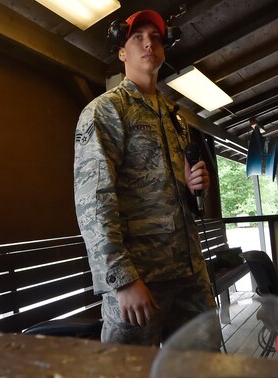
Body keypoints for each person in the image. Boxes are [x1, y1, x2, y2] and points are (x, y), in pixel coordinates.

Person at [73, 10, 219, 347]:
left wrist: (195, 187)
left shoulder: (175, 117)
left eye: (155, 37)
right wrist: (122, 281)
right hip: (140, 279)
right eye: (137, 37)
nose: (148, 43)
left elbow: (181, 197)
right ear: (122, 52)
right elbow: (93, 199)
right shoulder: (106, 109)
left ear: (164, 50)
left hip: (189, 273)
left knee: (203, 375)